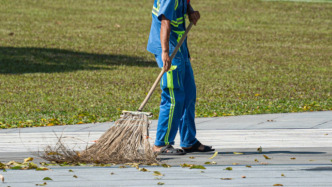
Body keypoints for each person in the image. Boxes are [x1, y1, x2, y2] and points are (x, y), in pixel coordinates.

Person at [147, 0, 214, 155]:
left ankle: (188, 141)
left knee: (189, 93)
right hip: (168, 48)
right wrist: (165, 53)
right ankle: (161, 144)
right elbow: (165, 22)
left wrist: (190, 11)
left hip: (180, 45)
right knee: (174, 96)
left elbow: (183, 4)